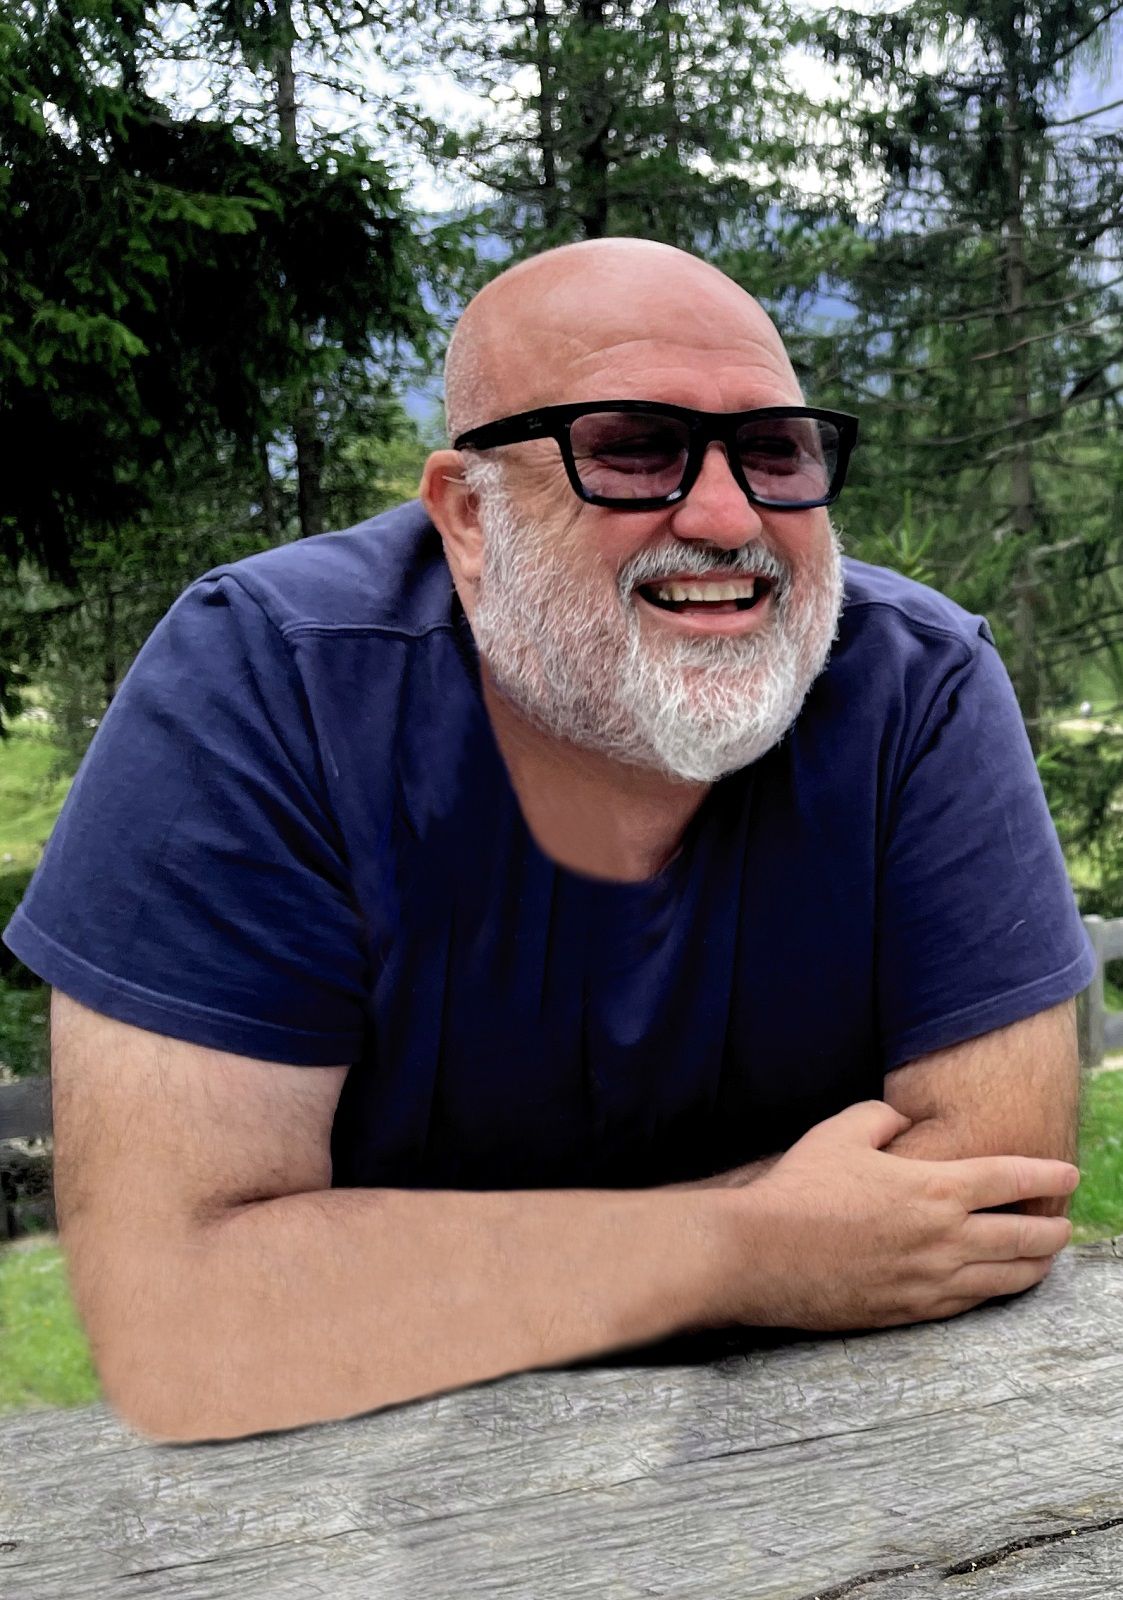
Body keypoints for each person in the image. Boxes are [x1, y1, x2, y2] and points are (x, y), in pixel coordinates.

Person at [3, 238, 1092, 1445]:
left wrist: (390, 1278)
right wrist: (747, 1246)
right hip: (354, 1496)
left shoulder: (916, 683)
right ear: (467, 515)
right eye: (632, 449)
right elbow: (180, 1298)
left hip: (829, 1466)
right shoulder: (268, 683)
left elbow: (987, 1196)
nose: (727, 515)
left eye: (775, 450)